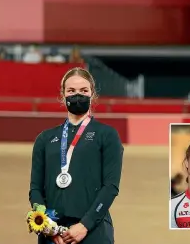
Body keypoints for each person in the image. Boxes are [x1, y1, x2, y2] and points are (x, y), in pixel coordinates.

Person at [29, 67, 124, 244]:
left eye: (83, 90)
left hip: (93, 232)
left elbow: (110, 187)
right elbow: (35, 189)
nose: (77, 95)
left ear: (92, 94)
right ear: (63, 95)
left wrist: (85, 225)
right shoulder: (45, 139)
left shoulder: (107, 135)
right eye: (71, 91)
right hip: (52, 236)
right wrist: (46, 225)